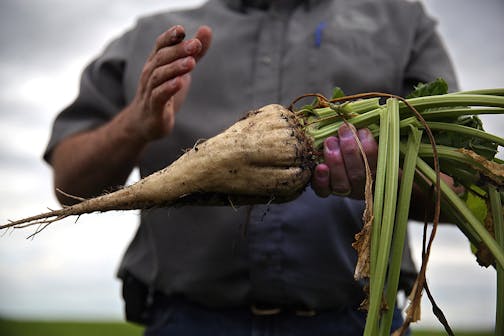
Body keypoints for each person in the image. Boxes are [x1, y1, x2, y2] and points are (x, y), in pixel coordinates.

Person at [43, 0, 458, 334]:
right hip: (184, 321)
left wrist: (381, 177)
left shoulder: (401, 22)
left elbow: (458, 186)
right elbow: (69, 185)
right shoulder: (151, 37)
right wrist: (133, 124)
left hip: (358, 319)